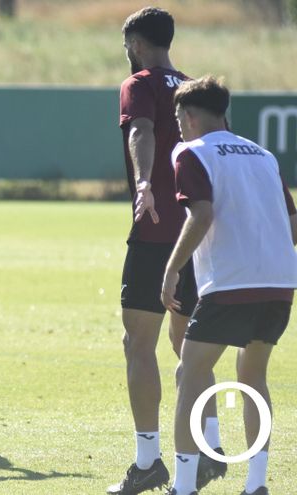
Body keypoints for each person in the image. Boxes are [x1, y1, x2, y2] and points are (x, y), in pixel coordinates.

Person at [108, 8, 224, 495]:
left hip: (157, 232)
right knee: (189, 347)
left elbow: (141, 131)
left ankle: (148, 460)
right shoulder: (196, 89)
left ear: (135, 40)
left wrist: (142, 185)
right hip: (200, 235)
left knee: (139, 343)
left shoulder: (140, 83)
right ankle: (211, 450)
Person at [161, 76, 297, 495]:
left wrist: (171, 269)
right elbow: (292, 224)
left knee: (190, 370)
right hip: (279, 282)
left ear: (188, 115)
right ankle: (256, 485)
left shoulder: (190, 152)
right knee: (253, 376)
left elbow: (199, 216)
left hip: (230, 284)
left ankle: (184, 487)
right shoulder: (263, 156)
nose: (179, 125)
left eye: (179, 117)